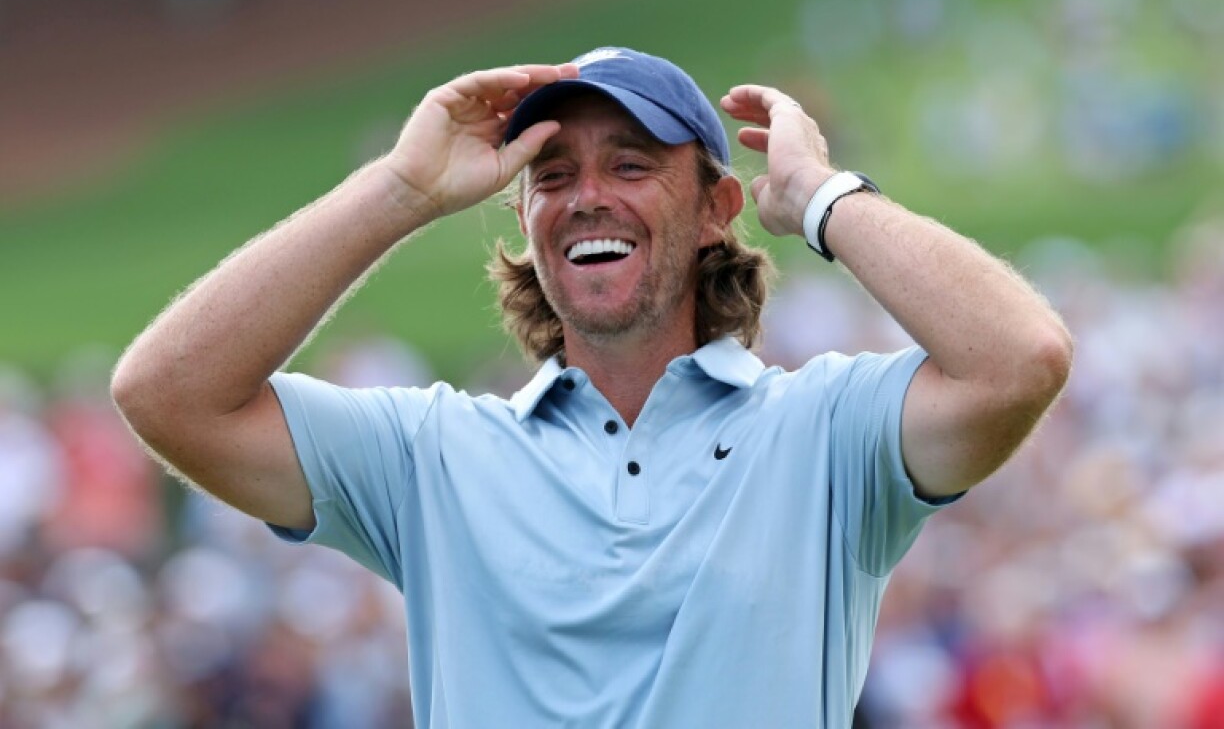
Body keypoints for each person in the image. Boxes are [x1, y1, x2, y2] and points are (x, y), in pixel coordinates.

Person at [111, 46, 1073, 728]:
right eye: (552, 173)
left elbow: (1020, 358)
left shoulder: (825, 433)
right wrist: (399, 193)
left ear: (715, 209)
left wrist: (820, 200)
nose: (586, 196)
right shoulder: (433, 456)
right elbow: (166, 392)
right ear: (527, 220)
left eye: (632, 163)